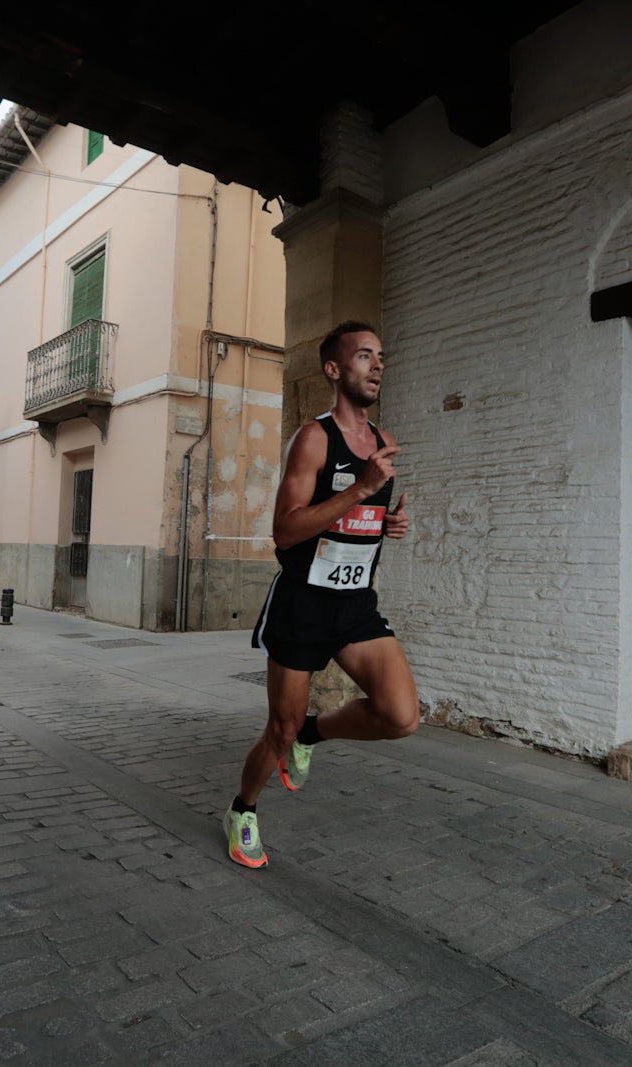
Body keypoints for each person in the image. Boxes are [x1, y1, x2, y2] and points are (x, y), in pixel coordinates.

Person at [227, 321, 416, 869]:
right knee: (278, 731)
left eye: (381, 355)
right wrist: (361, 489)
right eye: (364, 356)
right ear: (334, 370)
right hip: (303, 606)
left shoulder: (381, 442)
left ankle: (317, 731)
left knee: (400, 716)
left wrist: (386, 525)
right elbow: (286, 530)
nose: (377, 365)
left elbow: (351, 520)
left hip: (356, 604)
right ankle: (243, 809)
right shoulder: (315, 438)